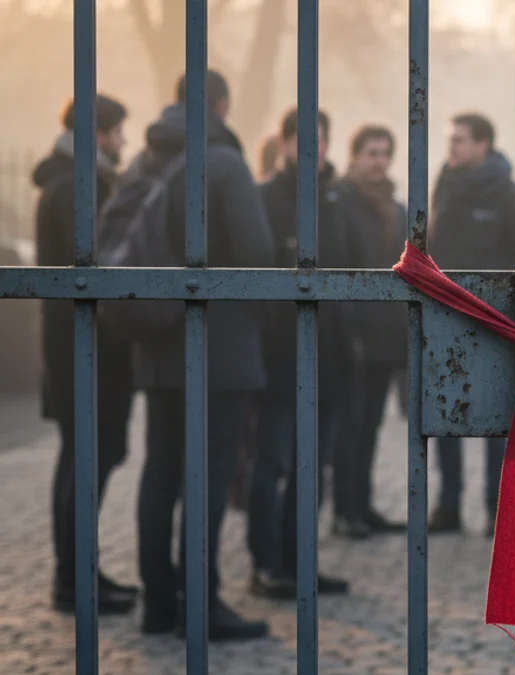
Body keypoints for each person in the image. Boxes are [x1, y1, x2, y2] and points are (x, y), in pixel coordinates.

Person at [133, 70, 273, 640]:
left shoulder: (148, 163)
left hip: (158, 343)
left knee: (160, 472)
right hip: (221, 349)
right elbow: (258, 254)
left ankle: (158, 602)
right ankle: (202, 604)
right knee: (209, 479)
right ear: (222, 105)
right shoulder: (226, 165)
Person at [34, 93, 139, 615]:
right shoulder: (81, 184)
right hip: (87, 346)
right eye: (119, 131)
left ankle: (77, 572)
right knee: (86, 460)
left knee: (80, 459)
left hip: (73, 343)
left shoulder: (67, 180)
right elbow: (102, 266)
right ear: (100, 132)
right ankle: (75, 579)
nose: (124, 141)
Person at [245, 107, 353, 599]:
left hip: (330, 353)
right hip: (278, 350)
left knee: (314, 464)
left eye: (321, 140)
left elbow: (355, 269)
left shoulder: (336, 198)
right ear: (283, 143)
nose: (313, 150)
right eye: (303, 141)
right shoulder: (263, 197)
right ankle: (266, 563)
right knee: (272, 462)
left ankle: (300, 560)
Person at [425, 112, 515, 534]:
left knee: (498, 418)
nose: (452, 148)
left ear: (484, 144)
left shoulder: (508, 193)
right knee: (446, 412)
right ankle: (448, 505)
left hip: (493, 318)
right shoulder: (444, 183)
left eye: (460, 140)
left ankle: (494, 508)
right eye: (451, 139)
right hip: (446, 313)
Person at [332, 124, 409, 538]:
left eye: (385, 153)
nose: (379, 161)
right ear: (356, 155)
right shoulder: (340, 201)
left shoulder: (394, 207)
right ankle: (345, 509)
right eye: (371, 152)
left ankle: (362, 505)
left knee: (371, 425)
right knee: (351, 425)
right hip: (352, 332)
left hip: (384, 333)